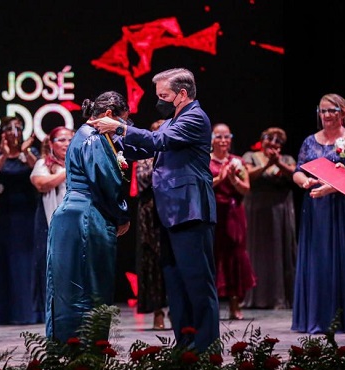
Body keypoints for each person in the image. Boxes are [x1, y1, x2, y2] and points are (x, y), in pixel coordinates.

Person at [89, 68, 219, 353]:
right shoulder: (176, 119)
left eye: (164, 96)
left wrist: (120, 128)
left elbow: (158, 141)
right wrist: (112, 141)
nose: (158, 101)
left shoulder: (195, 117)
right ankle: (186, 346)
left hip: (190, 211)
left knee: (198, 283)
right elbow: (146, 148)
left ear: (182, 94)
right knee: (175, 284)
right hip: (170, 213)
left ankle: (208, 348)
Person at [45, 91, 131, 343]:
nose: (122, 128)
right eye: (121, 122)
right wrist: (122, 214)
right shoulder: (94, 138)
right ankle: (85, 348)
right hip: (87, 215)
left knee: (68, 284)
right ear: (108, 116)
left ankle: (66, 346)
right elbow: (106, 182)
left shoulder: (83, 136)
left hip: (72, 214)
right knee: (89, 283)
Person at [291, 93, 345, 334]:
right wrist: (304, 182)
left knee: (341, 258)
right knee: (319, 261)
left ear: (342, 113)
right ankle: (317, 317)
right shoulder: (310, 141)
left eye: (332, 111)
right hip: (316, 209)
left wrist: (332, 187)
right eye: (323, 110)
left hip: (342, 209)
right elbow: (298, 170)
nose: (327, 115)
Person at [0, 115, 41, 325]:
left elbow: (38, 172)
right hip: (2, 215)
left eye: (18, 128)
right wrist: (5, 157)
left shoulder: (31, 153)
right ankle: (2, 313)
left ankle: (29, 312)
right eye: (9, 128)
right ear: (1, 132)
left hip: (26, 213)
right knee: (3, 262)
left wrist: (25, 151)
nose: (13, 132)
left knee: (25, 263)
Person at [242, 127, 297, 310]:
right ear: (262, 139)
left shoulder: (287, 159)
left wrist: (278, 163)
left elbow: (294, 175)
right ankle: (255, 297)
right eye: (269, 138)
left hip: (280, 211)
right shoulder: (250, 156)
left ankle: (281, 297)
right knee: (256, 251)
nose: (273, 143)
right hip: (256, 210)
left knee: (279, 251)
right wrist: (267, 165)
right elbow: (247, 175)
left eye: (277, 141)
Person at [208, 123, 256, 320]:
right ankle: (213, 306)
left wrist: (234, 180)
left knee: (235, 256)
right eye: (218, 137)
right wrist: (221, 177)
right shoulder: (206, 160)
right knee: (214, 256)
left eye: (226, 136)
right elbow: (204, 185)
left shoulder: (237, 161)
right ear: (212, 139)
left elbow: (245, 188)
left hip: (234, 213)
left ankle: (236, 304)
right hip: (213, 212)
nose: (223, 140)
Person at [30, 125, 72, 324]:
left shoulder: (83, 161)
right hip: (51, 222)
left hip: (76, 223)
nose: (66, 144)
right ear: (51, 144)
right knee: (51, 268)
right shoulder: (43, 163)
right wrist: (69, 170)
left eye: (70, 139)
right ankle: (53, 315)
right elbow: (41, 184)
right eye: (61, 140)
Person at [135, 119, 168, 330]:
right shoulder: (146, 156)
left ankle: (178, 309)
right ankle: (158, 312)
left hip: (173, 209)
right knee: (154, 262)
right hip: (150, 212)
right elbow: (143, 180)